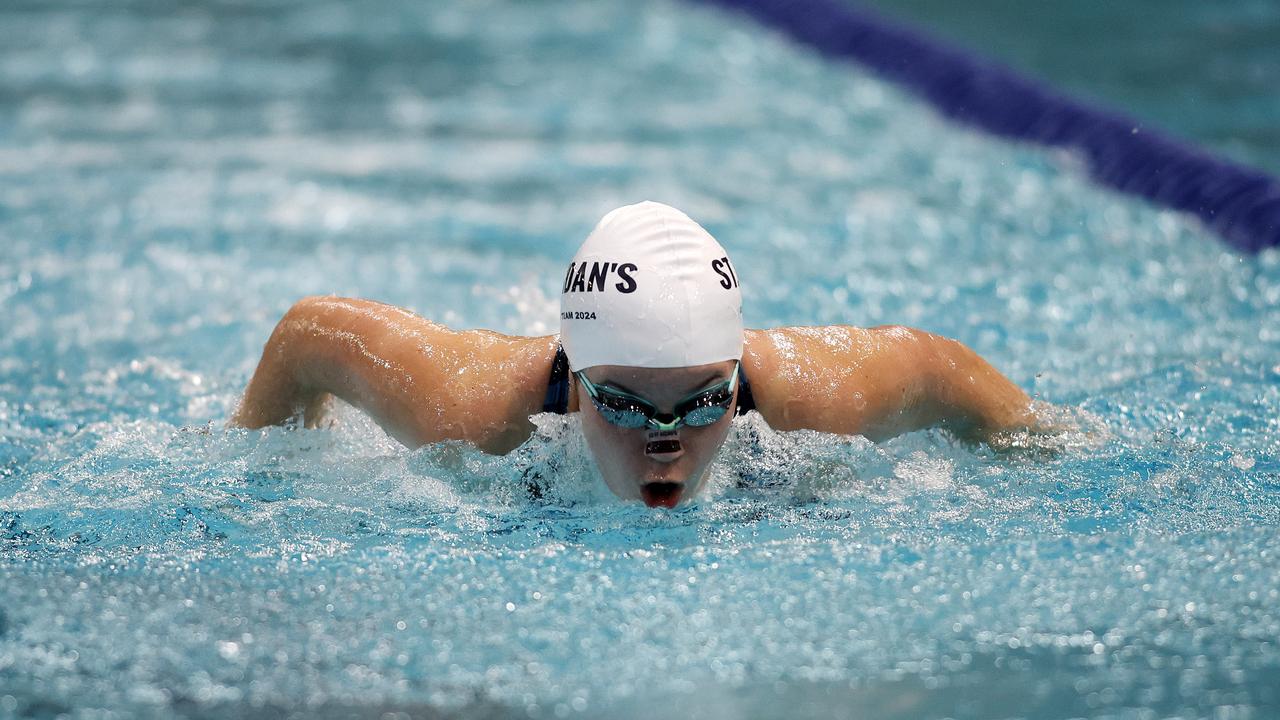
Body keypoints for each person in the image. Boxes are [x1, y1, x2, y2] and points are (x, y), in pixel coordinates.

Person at [231, 201, 1043, 508]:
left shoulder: (805, 395)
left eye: (701, 403)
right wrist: (254, 469)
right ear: (577, 389)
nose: (668, 439)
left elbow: (938, 369)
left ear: (734, 381)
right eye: (623, 404)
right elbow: (312, 332)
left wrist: (1052, 450)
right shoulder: (476, 410)